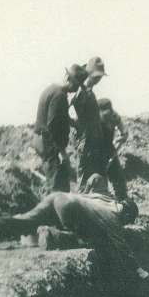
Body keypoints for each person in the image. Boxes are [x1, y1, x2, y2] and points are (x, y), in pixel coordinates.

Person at [0, 188, 149, 294]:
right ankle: (51, 235)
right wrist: (139, 270)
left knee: (26, 220)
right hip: (68, 208)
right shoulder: (113, 218)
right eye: (128, 220)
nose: (126, 224)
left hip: (58, 196)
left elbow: (90, 186)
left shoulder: (104, 198)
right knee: (86, 241)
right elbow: (121, 247)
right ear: (125, 213)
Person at [34, 64, 86, 192]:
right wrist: (62, 152)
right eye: (75, 85)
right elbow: (53, 125)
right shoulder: (60, 96)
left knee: (57, 183)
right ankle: (51, 211)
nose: (75, 89)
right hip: (49, 144)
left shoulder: (52, 89)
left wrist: (72, 123)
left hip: (42, 140)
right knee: (57, 188)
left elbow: (57, 116)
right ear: (68, 78)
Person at [73, 56, 109, 191]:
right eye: (97, 76)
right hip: (86, 142)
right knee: (83, 181)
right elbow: (75, 116)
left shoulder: (89, 92)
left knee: (92, 179)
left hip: (93, 142)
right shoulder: (81, 92)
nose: (99, 79)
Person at [97, 98, 129, 199]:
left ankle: (121, 202)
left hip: (109, 148)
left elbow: (124, 133)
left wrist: (116, 147)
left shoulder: (114, 116)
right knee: (100, 180)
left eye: (109, 113)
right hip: (95, 150)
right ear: (99, 112)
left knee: (119, 179)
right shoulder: (93, 118)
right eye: (105, 115)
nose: (108, 117)